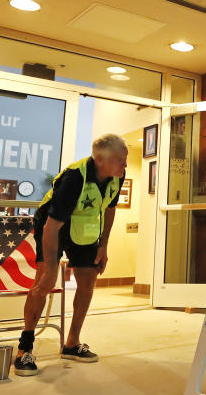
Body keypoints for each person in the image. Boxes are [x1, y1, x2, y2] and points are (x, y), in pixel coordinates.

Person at [14, 134, 127, 376]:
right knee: (43, 281)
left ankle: (72, 344)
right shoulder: (75, 178)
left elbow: (109, 208)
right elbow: (51, 227)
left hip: (85, 225)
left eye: (124, 160)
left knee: (88, 281)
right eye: (120, 160)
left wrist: (103, 245)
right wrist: (52, 269)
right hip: (53, 224)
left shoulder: (117, 176)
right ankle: (24, 350)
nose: (124, 165)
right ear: (99, 159)